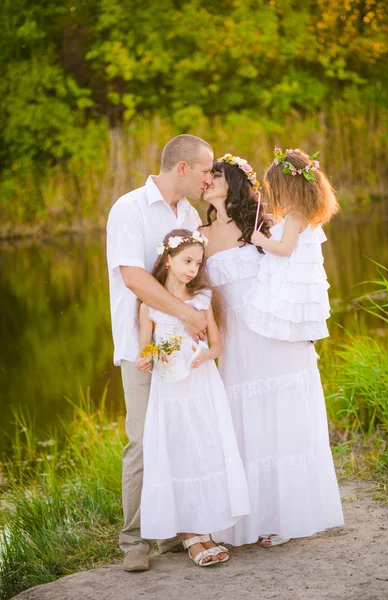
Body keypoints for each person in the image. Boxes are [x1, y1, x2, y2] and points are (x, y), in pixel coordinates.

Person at [202, 153, 344, 547]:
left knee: (284, 418)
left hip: (274, 332)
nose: (208, 180)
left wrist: (304, 320)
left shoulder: (261, 224)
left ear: (234, 182)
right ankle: (248, 518)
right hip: (235, 342)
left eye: (216, 174)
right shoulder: (197, 233)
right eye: (207, 174)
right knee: (244, 421)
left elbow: (299, 265)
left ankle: (285, 518)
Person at [106, 134, 213, 572]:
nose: (210, 178)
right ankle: (134, 540)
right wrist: (187, 314)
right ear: (182, 168)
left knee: (182, 436)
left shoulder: (189, 214)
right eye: (206, 170)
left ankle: (175, 530)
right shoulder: (128, 208)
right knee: (142, 441)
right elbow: (134, 278)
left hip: (185, 350)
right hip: (142, 345)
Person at [137, 229, 250, 567]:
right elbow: (147, 349)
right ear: (168, 260)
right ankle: (190, 535)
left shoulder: (201, 299)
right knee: (180, 452)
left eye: (197, 263)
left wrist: (205, 356)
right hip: (171, 391)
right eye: (186, 261)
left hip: (202, 387)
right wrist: (147, 358)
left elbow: (217, 345)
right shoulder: (149, 307)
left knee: (206, 450)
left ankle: (207, 531)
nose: (192, 268)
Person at [244, 148, 339, 342]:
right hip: (304, 280)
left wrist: (262, 240)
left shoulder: (294, 217)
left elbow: (285, 249)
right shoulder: (308, 216)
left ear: (290, 188)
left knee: (283, 311)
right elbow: (295, 239)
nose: (276, 195)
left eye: (277, 190)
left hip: (292, 278)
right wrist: (278, 224)